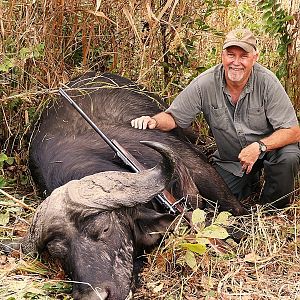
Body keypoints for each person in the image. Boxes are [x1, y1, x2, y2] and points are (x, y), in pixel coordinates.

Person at [131, 28, 300, 209]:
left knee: (289, 157)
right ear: (222, 55)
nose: (236, 62)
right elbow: (174, 117)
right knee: (213, 202)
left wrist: (259, 147)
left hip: (269, 150)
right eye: (230, 55)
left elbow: (293, 131)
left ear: (254, 57)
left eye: (243, 56)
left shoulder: (267, 82)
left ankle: (271, 208)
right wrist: (153, 121)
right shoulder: (205, 83)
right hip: (233, 160)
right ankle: (249, 183)